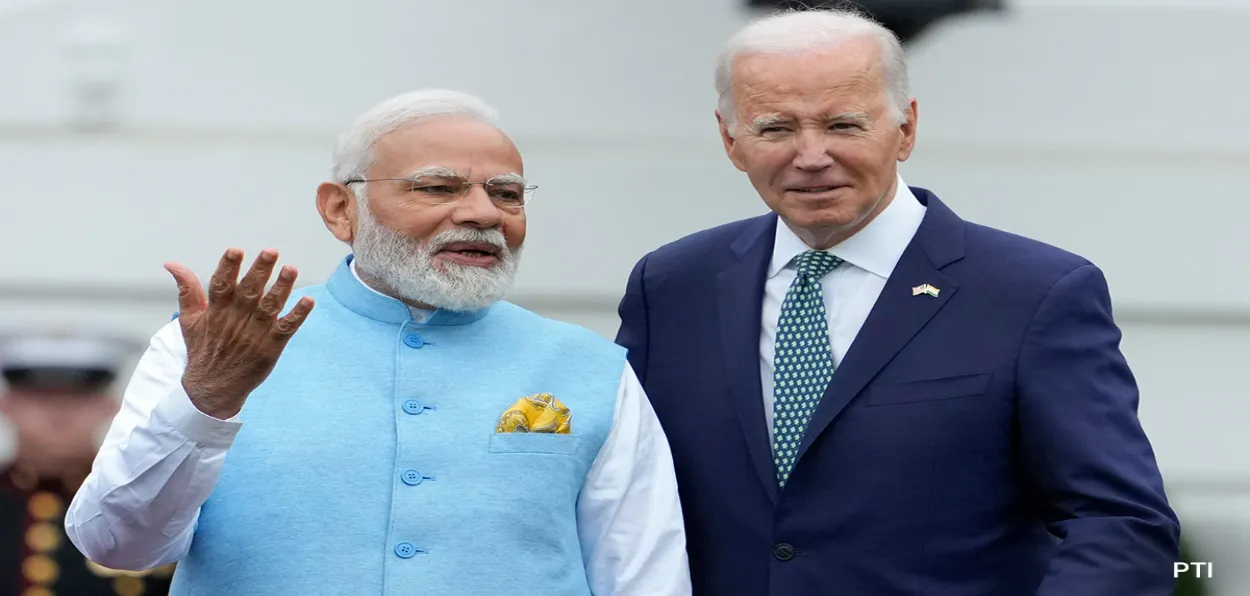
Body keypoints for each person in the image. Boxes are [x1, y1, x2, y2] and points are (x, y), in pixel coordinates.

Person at [615, 8, 1180, 596]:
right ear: (731, 140)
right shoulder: (672, 286)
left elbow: (1121, 523)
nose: (810, 156)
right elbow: (617, 494)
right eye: (776, 128)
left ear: (905, 129)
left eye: (843, 125)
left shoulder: (1034, 293)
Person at [65, 88, 691, 596]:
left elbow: (645, 578)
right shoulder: (213, 347)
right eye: (439, 187)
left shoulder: (589, 368)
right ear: (341, 210)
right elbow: (117, 546)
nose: (483, 213)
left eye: (506, 193)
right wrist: (205, 402)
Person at [0, 328, 174, 596]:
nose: (59, 411)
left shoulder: (154, 504)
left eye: (79, 397)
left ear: (110, 406)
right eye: (40, 396)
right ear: (6, 404)